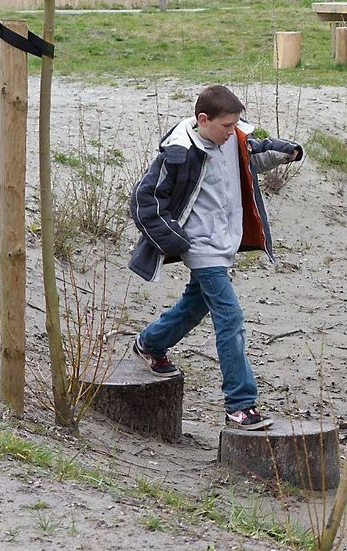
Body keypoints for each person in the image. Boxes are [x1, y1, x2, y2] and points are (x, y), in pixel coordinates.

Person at [127, 84, 303, 431]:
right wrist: (174, 239)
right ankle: (240, 404)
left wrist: (286, 152)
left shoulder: (232, 140)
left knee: (195, 306)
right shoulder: (180, 152)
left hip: (224, 244)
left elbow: (253, 156)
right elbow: (144, 200)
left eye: (236, 125)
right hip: (200, 247)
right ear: (203, 120)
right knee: (230, 318)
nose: (232, 132)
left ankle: (150, 343)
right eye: (226, 126)